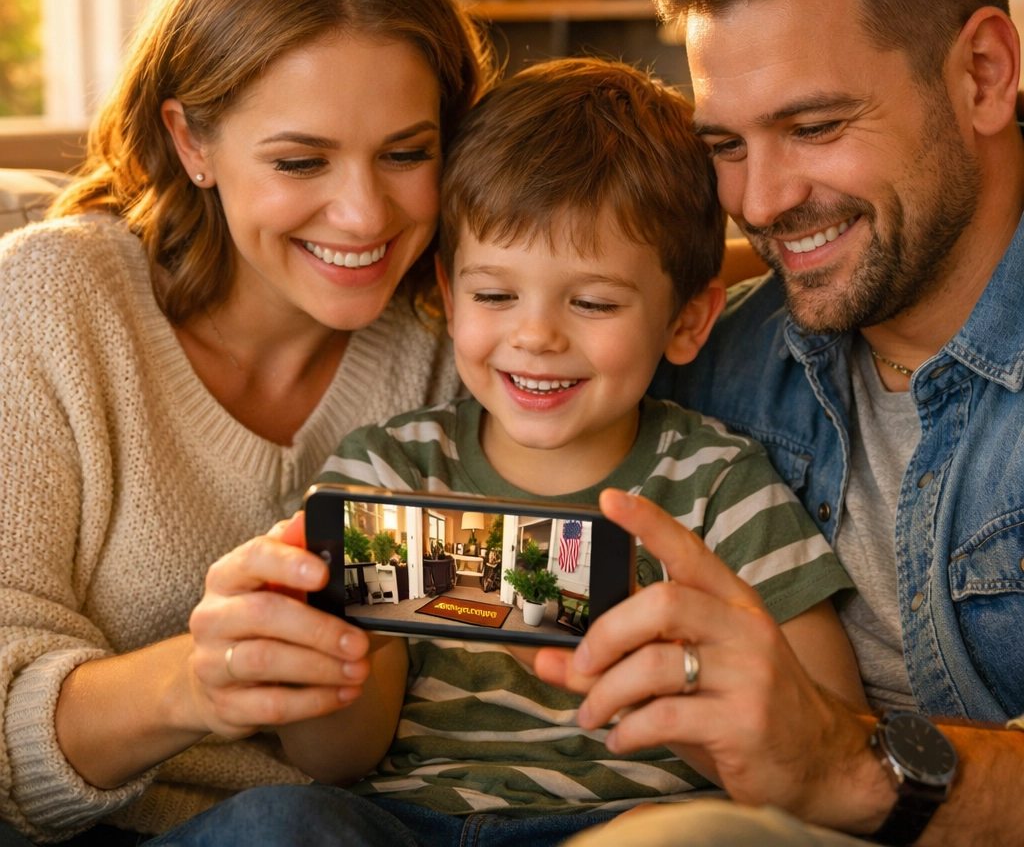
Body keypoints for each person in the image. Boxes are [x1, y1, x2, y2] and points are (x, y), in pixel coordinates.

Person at [537, 0, 1024, 847]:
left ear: (982, 72)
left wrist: (844, 762)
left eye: (813, 126)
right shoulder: (713, 356)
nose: (757, 201)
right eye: (724, 143)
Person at [0, 0, 494, 844]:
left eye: (406, 153)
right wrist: (195, 680)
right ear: (193, 142)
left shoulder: (463, 333)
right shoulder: (54, 304)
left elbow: (515, 600)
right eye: (302, 162)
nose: (364, 216)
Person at [271, 59, 863, 847]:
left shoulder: (719, 485)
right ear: (450, 297)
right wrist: (339, 654)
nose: (537, 335)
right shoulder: (391, 470)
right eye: (494, 295)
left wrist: (695, 698)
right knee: (276, 819)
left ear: (688, 321)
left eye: (591, 302)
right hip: (407, 824)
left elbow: (831, 737)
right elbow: (335, 759)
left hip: (632, 823)